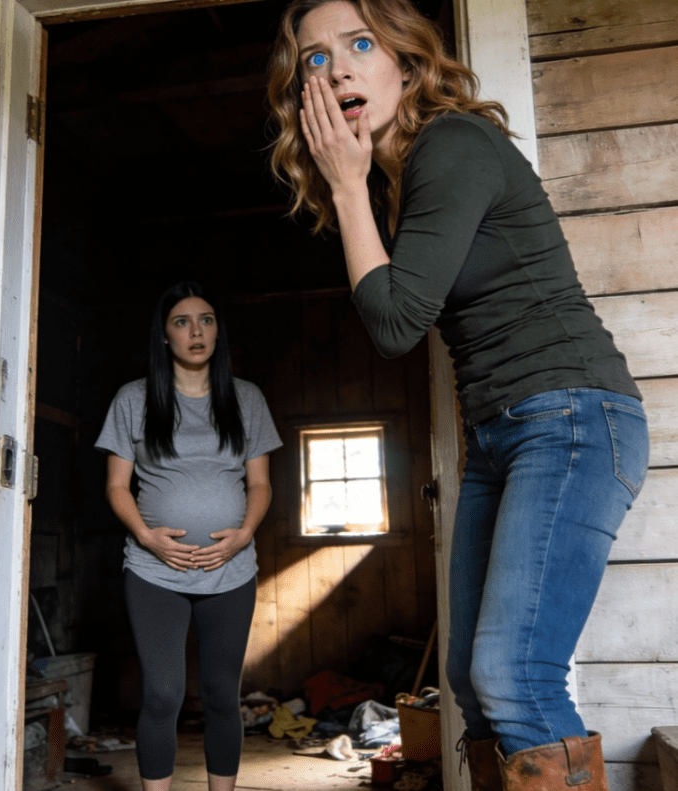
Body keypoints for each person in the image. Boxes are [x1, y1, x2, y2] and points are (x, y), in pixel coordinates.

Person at [266, 2, 649, 790]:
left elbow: (396, 322)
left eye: (360, 43)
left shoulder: (451, 144)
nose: (338, 67)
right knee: (473, 687)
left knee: (515, 675)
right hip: (502, 433)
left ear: (405, 63)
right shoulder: (404, 179)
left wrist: (347, 188)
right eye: (316, 57)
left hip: (571, 418)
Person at [95, 281, 282, 791]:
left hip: (231, 568)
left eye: (206, 320)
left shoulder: (246, 398)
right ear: (164, 335)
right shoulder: (134, 398)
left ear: (218, 331)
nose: (195, 331)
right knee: (162, 695)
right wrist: (146, 537)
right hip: (155, 570)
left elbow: (260, 484)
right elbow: (117, 486)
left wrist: (244, 534)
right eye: (182, 321)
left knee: (222, 695)